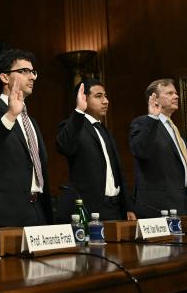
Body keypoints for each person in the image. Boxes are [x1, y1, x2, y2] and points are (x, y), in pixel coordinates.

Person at [0, 49, 52, 227]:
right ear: (5, 78)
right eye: (24, 71)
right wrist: (10, 116)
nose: (32, 77)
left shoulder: (31, 120)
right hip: (3, 217)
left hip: (37, 212)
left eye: (33, 72)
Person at [56, 79, 135, 222]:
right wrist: (79, 111)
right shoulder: (72, 126)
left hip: (115, 208)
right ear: (83, 98)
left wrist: (128, 207)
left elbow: (117, 171)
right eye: (98, 96)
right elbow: (65, 146)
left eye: (105, 96)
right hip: (88, 208)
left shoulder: (105, 131)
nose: (106, 101)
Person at [129, 78, 187, 218]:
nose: (176, 96)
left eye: (175, 93)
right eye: (169, 93)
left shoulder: (174, 128)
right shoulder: (142, 123)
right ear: (155, 99)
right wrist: (153, 118)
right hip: (161, 207)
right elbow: (141, 151)